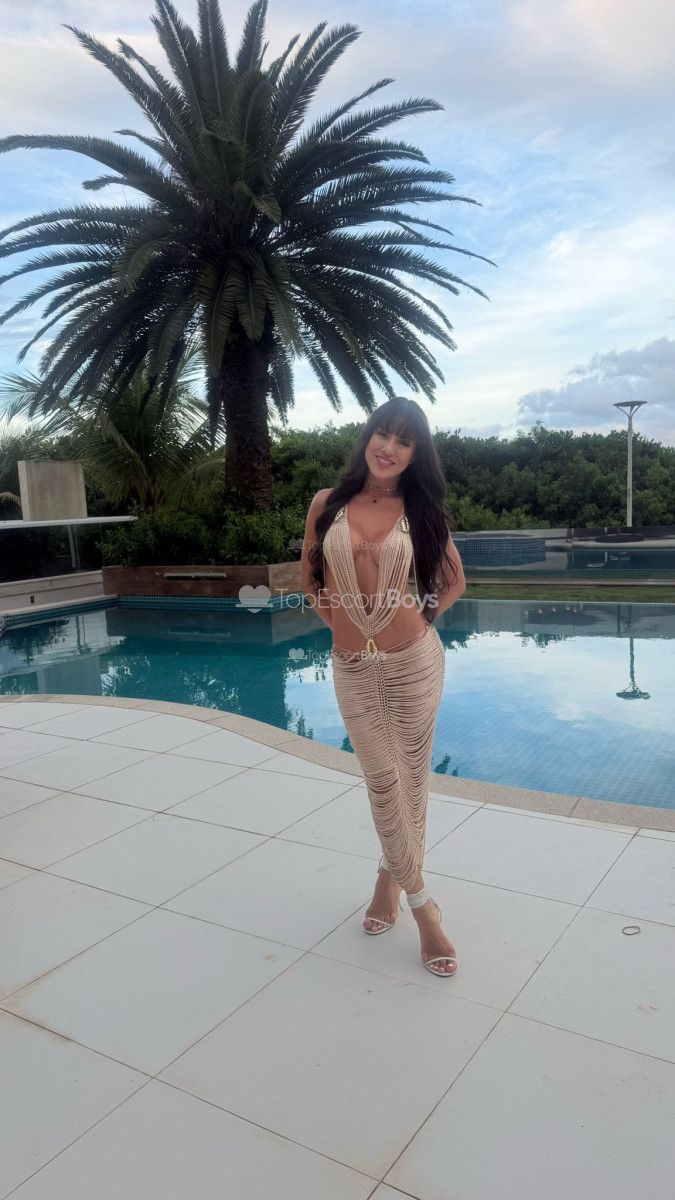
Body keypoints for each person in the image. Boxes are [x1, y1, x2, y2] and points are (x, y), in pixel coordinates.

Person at [300, 397, 466, 976]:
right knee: (381, 780)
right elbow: (312, 582)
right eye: (382, 434)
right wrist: (351, 630)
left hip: (415, 661)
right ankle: (424, 907)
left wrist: (416, 619)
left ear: (415, 454)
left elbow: (453, 582)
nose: (389, 448)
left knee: (411, 780)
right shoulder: (327, 503)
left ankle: (388, 881)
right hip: (353, 667)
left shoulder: (421, 509)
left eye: (404, 441)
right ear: (367, 436)